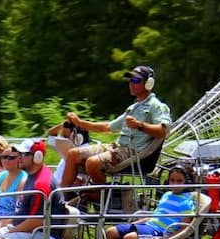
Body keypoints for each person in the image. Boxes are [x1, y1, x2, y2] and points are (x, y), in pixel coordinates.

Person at [58, 65, 172, 194]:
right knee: (73, 154)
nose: (131, 84)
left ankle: (99, 199)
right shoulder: (133, 107)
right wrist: (79, 122)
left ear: (148, 83)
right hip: (117, 148)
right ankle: (61, 198)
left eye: (136, 81)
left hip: (132, 153)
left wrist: (140, 125)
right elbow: (108, 127)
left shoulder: (156, 106)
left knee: (93, 163)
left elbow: (164, 130)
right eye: (130, 80)